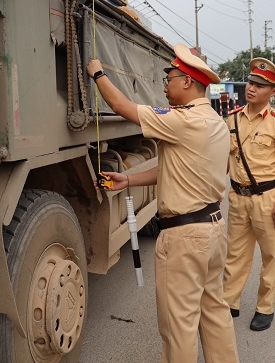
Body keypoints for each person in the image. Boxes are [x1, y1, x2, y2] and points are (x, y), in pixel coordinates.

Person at [87, 44, 239, 363]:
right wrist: (129, 180)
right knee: (214, 313)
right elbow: (175, 168)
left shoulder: (182, 120)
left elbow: (121, 105)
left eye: (168, 78)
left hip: (184, 238)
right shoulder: (214, 122)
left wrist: (97, 72)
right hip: (212, 231)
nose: (165, 85)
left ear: (186, 81)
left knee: (178, 325)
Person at [223, 57, 275, 332]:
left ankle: (265, 308)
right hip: (237, 197)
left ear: (272, 91)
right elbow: (222, 158)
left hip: (267, 198)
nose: (252, 88)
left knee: (270, 256)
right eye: (251, 82)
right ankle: (229, 302)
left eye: (260, 85)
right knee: (235, 255)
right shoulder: (231, 119)